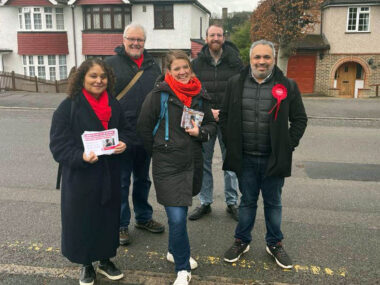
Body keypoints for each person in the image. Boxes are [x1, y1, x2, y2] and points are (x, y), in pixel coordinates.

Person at [220, 40, 307, 269]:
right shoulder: (235, 83)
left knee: (273, 203)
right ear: (250, 59)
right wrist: (231, 143)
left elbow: (299, 119)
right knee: (247, 202)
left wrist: (287, 145)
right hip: (245, 157)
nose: (261, 61)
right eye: (257, 57)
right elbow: (225, 117)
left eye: (266, 57)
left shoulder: (288, 85)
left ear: (274, 59)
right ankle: (242, 241)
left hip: (273, 158)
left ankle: (274, 244)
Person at [137, 50, 216, 285]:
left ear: (190, 69)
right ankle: (183, 268)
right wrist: (159, 151)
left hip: (192, 162)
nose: (182, 72)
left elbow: (211, 124)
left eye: (185, 68)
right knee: (178, 216)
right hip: (167, 164)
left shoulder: (200, 95)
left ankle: (173, 251)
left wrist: (200, 133)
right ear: (168, 71)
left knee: (177, 214)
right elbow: (143, 128)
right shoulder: (158, 95)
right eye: (176, 69)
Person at [49, 58, 128, 285]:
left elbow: (127, 131)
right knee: (83, 221)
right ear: (82, 78)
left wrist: (124, 143)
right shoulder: (68, 107)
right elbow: (58, 145)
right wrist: (80, 156)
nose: (98, 80)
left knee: (107, 219)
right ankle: (86, 264)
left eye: (103, 76)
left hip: (108, 174)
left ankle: (104, 260)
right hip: (80, 176)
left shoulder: (114, 104)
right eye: (93, 76)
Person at [105, 23, 164, 246]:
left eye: (139, 40)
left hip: (146, 134)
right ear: (123, 39)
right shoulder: (109, 65)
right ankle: (120, 224)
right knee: (120, 182)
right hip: (120, 136)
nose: (135, 43)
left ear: (144, 42)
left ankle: (143, 217)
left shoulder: (153, 67)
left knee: (142, 180)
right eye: (131, 39)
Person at [189, 24, 243, 221]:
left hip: (228, 119)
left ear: (224, 38)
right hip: (205, 119)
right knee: (204, 161)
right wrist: (207, 111)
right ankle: (205, 202)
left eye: (219, 35)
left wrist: (225, 110)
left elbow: (241, 90)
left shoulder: (235, 62)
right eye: (212, 35)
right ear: (206, 38)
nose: (216, 38)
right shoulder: (196, 64)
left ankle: (231, 202)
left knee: (231, 162)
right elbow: (191, 91)